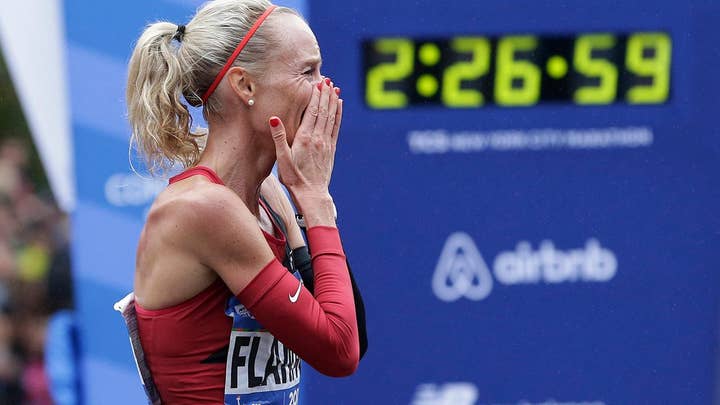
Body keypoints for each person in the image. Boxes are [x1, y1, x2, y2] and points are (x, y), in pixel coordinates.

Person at [120, 1, 368, 403]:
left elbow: (353, 332)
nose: (326, 89)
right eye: (308, 72)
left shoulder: (270, 196)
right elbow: (339, 352)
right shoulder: (201, 208)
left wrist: (308, 204)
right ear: (245, 86)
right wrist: (316, 199)